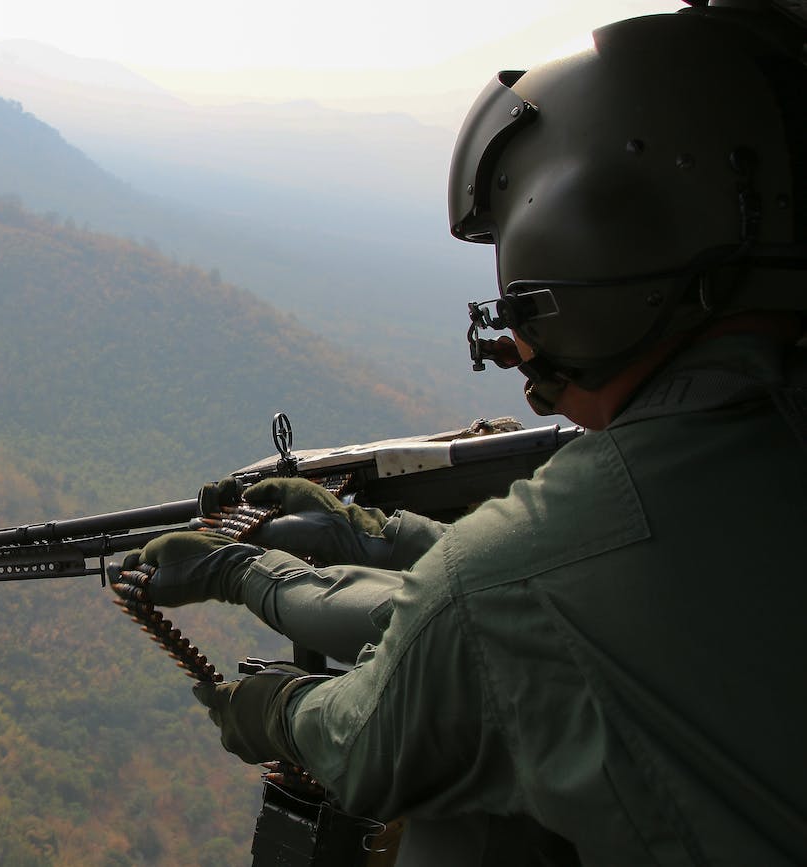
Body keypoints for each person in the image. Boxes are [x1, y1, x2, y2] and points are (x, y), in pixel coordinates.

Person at [112, 4, 807, 864]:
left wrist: (272, 699)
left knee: (450, 816)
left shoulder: (542, 560)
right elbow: (533, 600)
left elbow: (374, 738)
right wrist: (371, 534)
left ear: (581, 252)